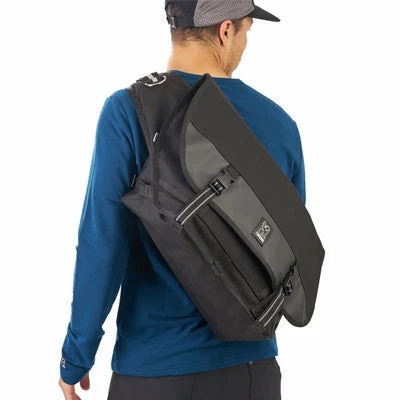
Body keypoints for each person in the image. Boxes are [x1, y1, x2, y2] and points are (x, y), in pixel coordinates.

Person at [58, 1, 306, 399]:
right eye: (247, 30)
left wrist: (76, 356)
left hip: (157, 371)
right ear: (226, 31)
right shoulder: (280, 124)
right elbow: (287, 254)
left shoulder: (130, 110)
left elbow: (102, 245)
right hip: (254, 373)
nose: (245, 43)